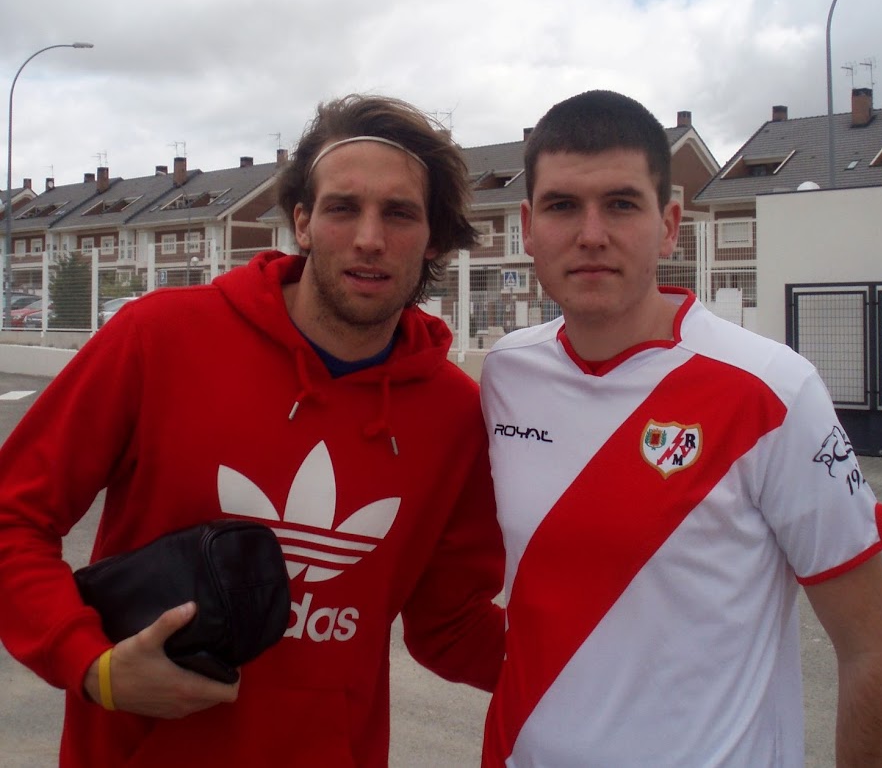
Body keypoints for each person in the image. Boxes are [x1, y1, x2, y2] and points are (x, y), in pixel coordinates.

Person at [0, 94, 505, 767]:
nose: (369, 238)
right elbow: (13, 518)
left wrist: (610, 667)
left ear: (434, 237)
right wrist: (90, 663)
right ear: (302, 221)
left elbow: (452, 625)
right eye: (342, 208)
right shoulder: (160, 339)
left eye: (399, 213)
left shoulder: (455, 414)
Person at [480, 89, 882, 767]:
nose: (592, 234)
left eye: (622, 204)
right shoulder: (506, 374)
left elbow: (874, 647)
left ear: (669, 224)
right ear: (527, 227)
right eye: (562, 206)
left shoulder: (772, 390)